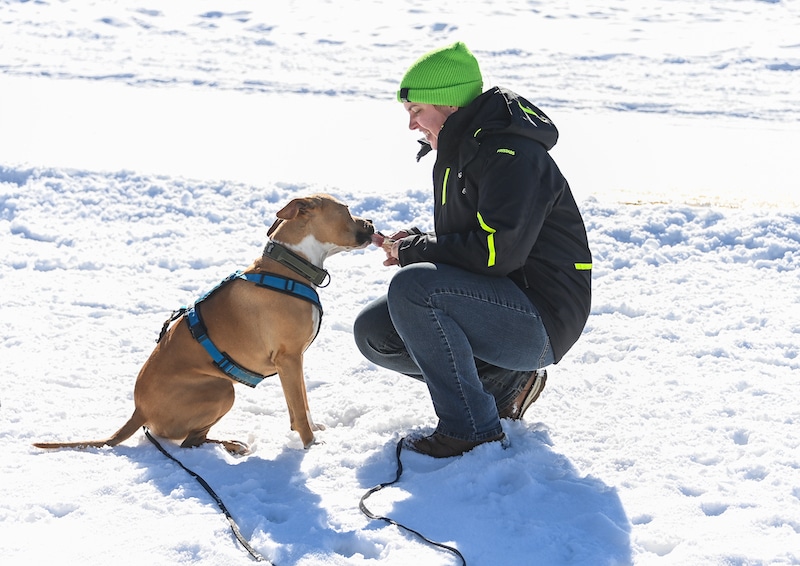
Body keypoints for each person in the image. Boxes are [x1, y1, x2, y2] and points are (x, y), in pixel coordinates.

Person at [353, 42, 592, 458]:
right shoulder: (463, 152)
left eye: (416, 110)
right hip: (504, 303)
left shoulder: (511, 154)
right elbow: (473, 241)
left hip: (542, 320)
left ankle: (471, 429)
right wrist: (415, 242)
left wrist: (417, 252)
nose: (411, 125)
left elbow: (496, 254)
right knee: (375, 331)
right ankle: (506, 384)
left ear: (449, 103)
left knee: (414, 288)